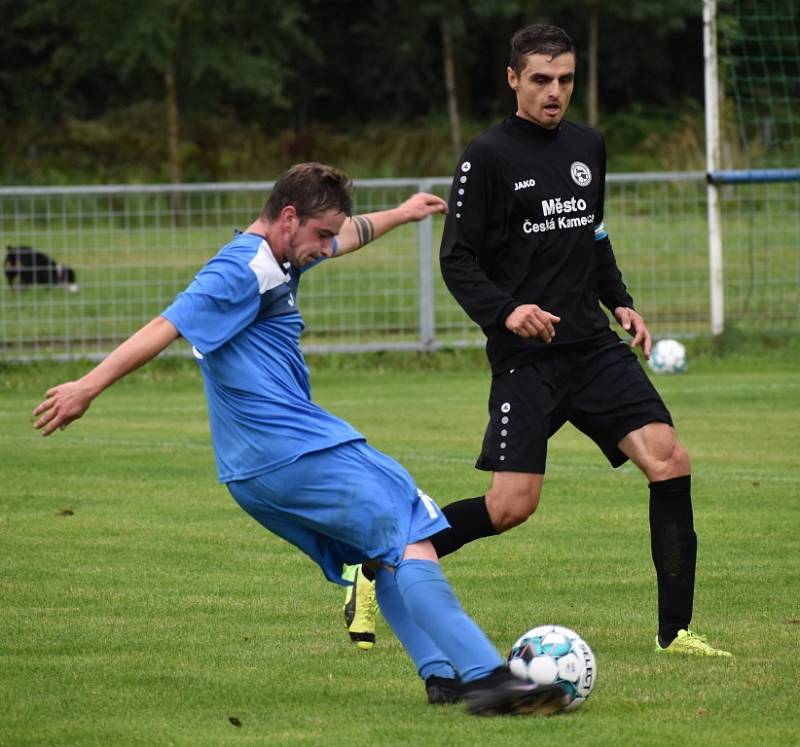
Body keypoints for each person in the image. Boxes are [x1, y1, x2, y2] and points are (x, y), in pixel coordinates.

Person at [32, 162, 568, 716]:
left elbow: (350, 234)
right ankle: (489, 678)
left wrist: (405, 214)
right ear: (288, 218)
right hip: (292, 449)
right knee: (410, 526)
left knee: (383, 553)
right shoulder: (240, 271)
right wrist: (87, 386)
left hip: (253, 469)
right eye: (321, 235)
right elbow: (165, 326)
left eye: (332, 234)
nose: (328, 245)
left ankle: (441, 675)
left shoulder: (279, 256)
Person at [347, 24, 730, 658]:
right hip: (529, 358)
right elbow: (458, 259)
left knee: (669, 459)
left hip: (594, 347)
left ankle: (676, 634)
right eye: (542, 80)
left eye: (566, 80)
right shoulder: (487, 156)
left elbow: (594, 236)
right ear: (514, 80)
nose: (555, 93)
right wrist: (508, 313)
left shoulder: (588, 145)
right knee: (510, 506)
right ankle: (381, 559)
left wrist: (623, 303)